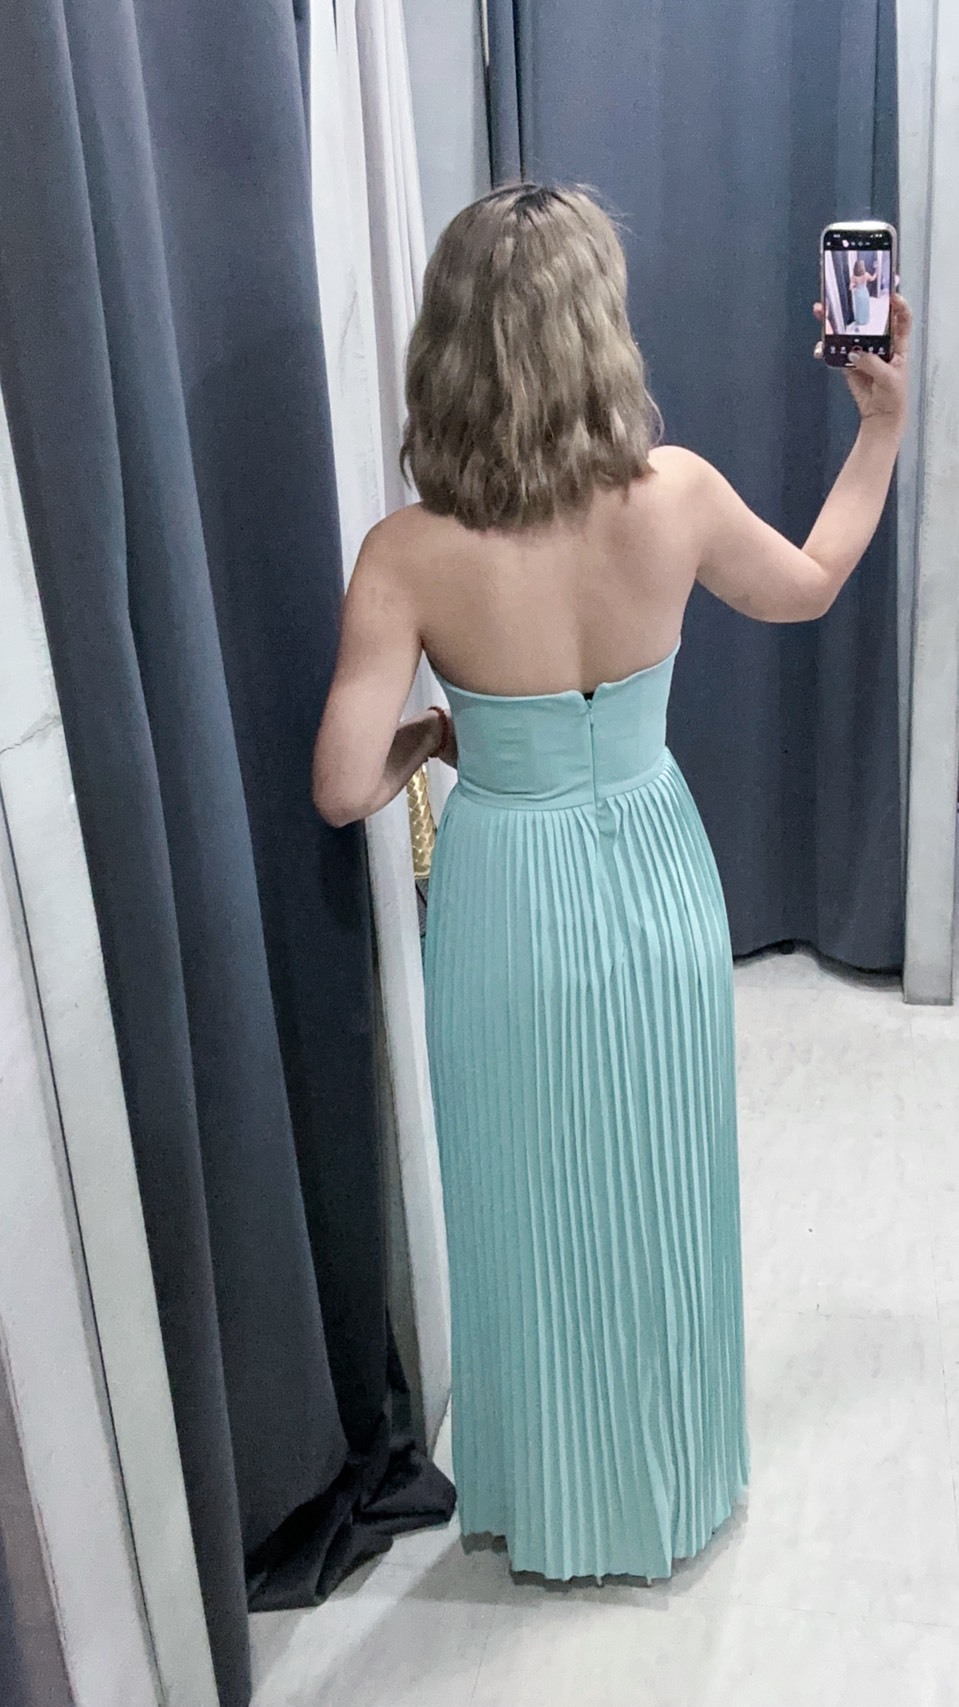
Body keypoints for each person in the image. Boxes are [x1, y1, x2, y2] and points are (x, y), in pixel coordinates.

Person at [313, 184, 909, 1582]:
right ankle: (667, 1482)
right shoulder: (675, 495)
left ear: (445, 347)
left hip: (505, 893)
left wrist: (444, 735)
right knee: (656, 1183)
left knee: (524, 1202)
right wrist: (880, 424)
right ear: (598, 334)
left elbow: (342, 786)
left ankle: (547, 1500)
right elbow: (813, 579)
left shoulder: (405, 553)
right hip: (650, 872)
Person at [850, 253, 879, 331]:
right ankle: (865, 320)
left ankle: (859, 320)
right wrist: (876, 272)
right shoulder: (866, 275)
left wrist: (855, 286)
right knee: (865, 306)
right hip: (864, 291)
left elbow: (850, 287)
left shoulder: (853, 276)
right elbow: (873, 279)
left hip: (857, 293)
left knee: (859, 307)